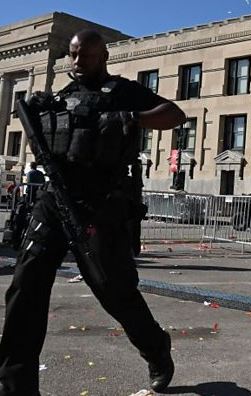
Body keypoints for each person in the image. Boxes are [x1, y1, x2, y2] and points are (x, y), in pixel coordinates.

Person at [0, 30, 186, 395]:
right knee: (26, 286)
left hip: (100, 204)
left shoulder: (123, 91)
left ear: (102, 57)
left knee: (113, 289)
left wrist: (130, 117)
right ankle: (15, 385)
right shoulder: (65, 95)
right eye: (71, 56)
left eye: (83, 56)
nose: (75, 63)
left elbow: (174, 114)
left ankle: (155, 348)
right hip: (55, 199)